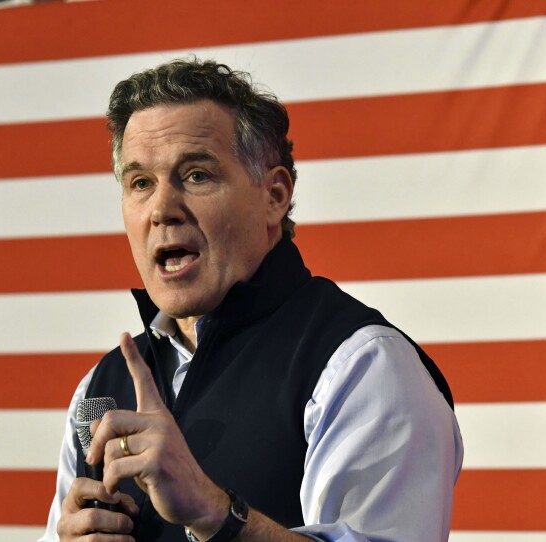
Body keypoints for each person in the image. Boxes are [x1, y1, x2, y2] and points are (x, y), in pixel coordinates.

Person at [40, 58, 463, 542]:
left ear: (274, 196)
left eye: (196, 175)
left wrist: (215, 514)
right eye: (140, 184)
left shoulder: (362, 365)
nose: (160, 209)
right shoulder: (102, 385)